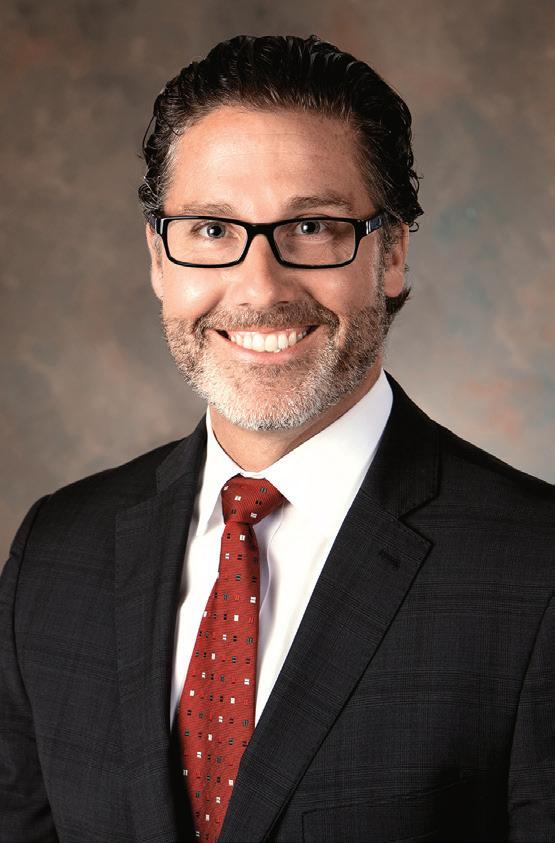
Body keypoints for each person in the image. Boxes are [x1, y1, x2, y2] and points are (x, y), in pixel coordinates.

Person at [1, 33, 552, 843]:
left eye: (313, 226)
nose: (259, 287)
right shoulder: (57, 550)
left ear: (391, 253)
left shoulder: (536, 569)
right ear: (158, 257)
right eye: (211, 229)